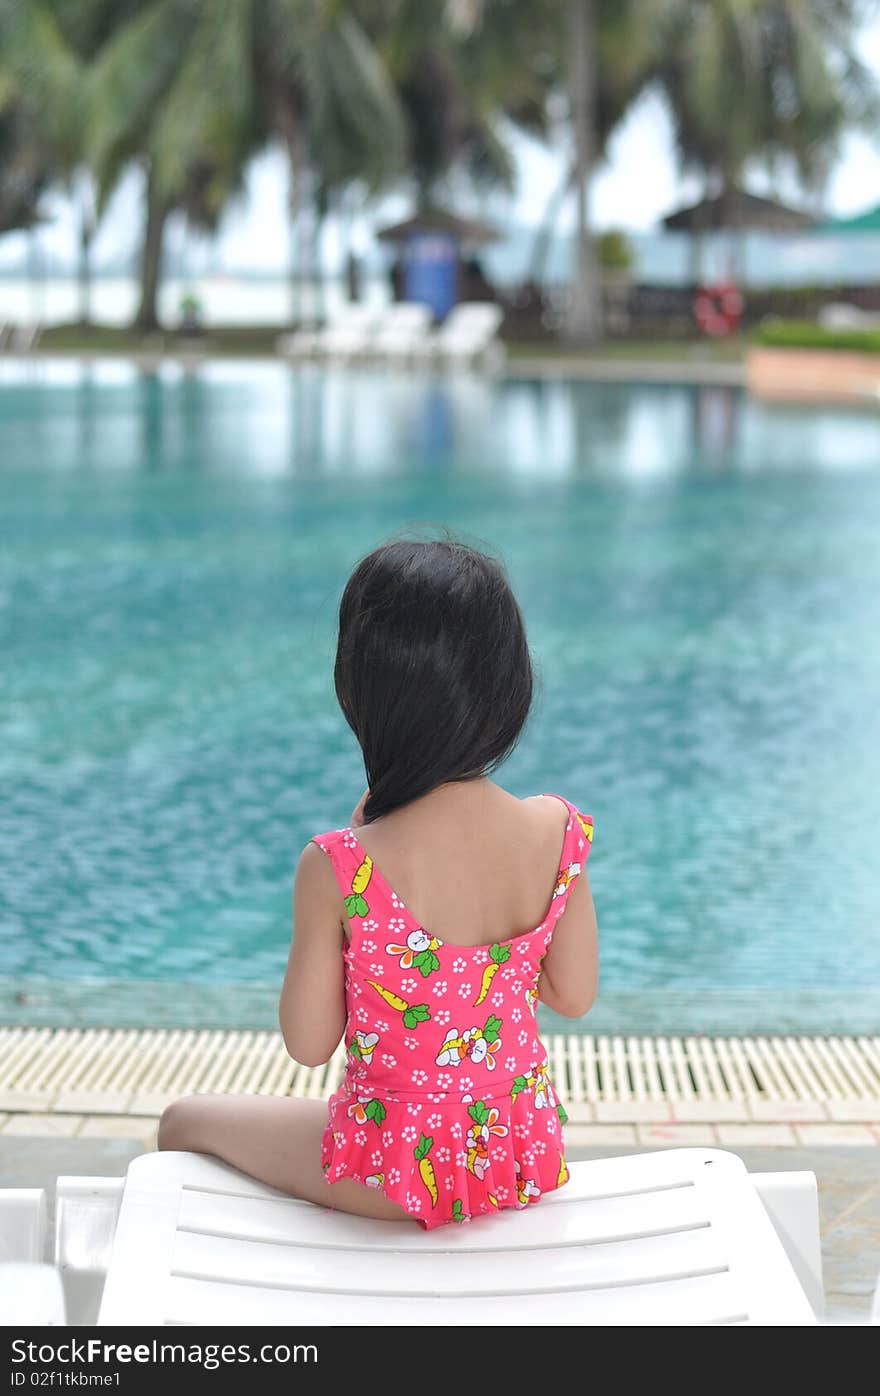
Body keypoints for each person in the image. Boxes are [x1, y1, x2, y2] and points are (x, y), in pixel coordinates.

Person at [158, 535, 598, 1228]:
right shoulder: (558, 830)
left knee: (184, 1122)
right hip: (515, 1160)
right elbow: (572, 995)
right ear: (509, 684)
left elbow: (308, 1044)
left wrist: (354, 859)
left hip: (390, 1176)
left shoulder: (338, 866)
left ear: (360, 688)